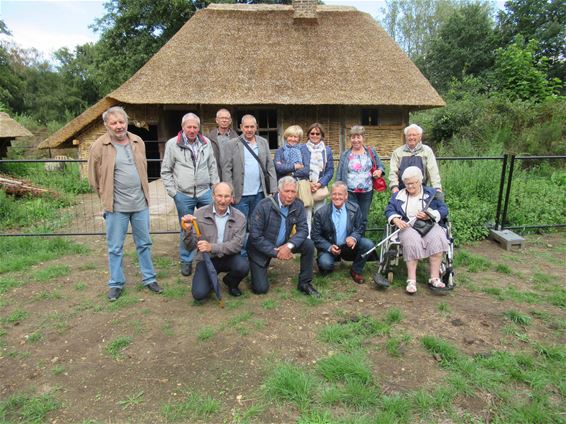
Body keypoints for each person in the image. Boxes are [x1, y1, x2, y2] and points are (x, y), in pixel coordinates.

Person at [87, 106, 162, 301]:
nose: (119, 126)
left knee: (144, 243)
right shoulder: (98, 146)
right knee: (115, 247)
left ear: (126, 122)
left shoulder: (138, 141)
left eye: (121, 122)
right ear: (106, 125)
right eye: (114, 123)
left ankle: (149, 278)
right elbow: (94, 178)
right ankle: (116, 283)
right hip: (116, 207)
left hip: (140, 205)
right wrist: (105, 197)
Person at [161, 113, 219, 277]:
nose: (192, 130)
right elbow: (166, 171)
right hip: (183, 194)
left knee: (209, 225)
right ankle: (187, 260)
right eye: (189, 127)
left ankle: (209, 256)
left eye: (195, 127)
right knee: (186, 228)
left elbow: (212, 166)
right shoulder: (173, 144)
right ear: (183, 127)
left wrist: (214, 189)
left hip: (204, 192)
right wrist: (174, 193)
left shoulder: (206, 143)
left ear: (198, 128)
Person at [248, 176, 319, 297]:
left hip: (284, 243)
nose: (290, 196)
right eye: (287, 191)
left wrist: (289, 246)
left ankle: (305, 283)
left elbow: (303, 230)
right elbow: (255, 236)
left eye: (293, 192)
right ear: (279, 191)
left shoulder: (298, 204)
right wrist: (276, 252)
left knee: (308, 245)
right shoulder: (264, 205)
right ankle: (257, 271)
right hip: (262, 247)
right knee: (260, 289)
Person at [384, 166, 449, 294]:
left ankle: (434, 278)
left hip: (428, 224)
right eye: (407, 183)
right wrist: (396, 219)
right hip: (407, 226)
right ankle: (411, 280)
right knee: (411, 241)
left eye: (413, 183)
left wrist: (429, 215)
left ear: (420, 181)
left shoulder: (431, 193)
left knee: (437, 238)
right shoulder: (398, 195)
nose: (410, 186)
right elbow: (389, 209)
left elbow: (444, 210)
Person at [181, 182, 249, 300]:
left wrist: (211, 247)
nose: (223, 200)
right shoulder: (199, 214)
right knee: (199, 294)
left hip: (229, 257)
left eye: (227, 196)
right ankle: (210, 280)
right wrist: (187, 231)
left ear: (232, 198)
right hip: (207, 259)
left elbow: (237, 245)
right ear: (213, 196)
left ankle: (230, 282)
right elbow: (190, 246)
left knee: (243, 266)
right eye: (219, 196)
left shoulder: (240, 217)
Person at [311, 181, 375, 284]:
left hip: (347, 246)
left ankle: (356, 270)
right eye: (334, 194)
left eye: (340, 194)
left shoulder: (355, 208)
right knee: (325, 264)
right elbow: (315, 235)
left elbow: (360, 227)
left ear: (346, 196)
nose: (337, 197)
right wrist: (329, 247)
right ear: (331, 195)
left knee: (368, 244)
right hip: (330, 246)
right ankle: (327, 263)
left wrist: (353, 237)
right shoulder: (321, 213)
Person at [222, 114, 277, 220]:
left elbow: (270, 166)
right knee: (240, 224)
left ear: (256, 127)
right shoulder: (232, 144)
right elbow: (226, 170)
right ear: (241, 127)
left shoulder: (263, 142)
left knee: (257, 223)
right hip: (240, 194)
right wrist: (229, 192)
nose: (249, 130)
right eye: (246, 127)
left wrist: (273, 188)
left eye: (252, 127)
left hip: (259, 193)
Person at [336, 125, 385, 234]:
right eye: (353, 137)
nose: (356, 140)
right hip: (349, 191)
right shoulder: (345, 154)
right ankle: (349, 242)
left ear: (363, 138)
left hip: (367, 191)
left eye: (358, 137)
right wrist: (338, 190)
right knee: (351, 216)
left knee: (363, 218)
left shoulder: (371, 152)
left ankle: (361, 242)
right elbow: (339, 173)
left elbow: (381, 166)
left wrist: (379, 171)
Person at [389, 124, 442, 193]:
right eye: (409, 135)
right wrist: (394, 186)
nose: (411, 137)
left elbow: (433, 170)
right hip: (402, 189)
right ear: (405, 137)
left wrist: (437, 187)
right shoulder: (397, 152)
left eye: (414, 135)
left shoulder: (427, 151)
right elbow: (393, 171)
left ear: (420, 136)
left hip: (423, 189)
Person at [304, 123, 334, 226]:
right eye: (312, 133)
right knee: (306, 216)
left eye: (318, 133)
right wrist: (309, 183)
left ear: (321, 135)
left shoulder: (327, 150)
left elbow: (330, 170)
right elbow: (300, 169)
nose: (315, 136)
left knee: (320, 215)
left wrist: (320, 183)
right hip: (306, 186)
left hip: (320, 187)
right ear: (308, 135)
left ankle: (317, 238)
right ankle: (307, 239)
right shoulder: (302, 148)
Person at [207, 108, 239, 181]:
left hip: (232, 176)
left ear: (230, 121)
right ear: (217, 120)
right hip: (215, 175)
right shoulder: (209, 138)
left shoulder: (237, 138)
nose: (224, 120)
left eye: (227, 118)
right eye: (221, 118)